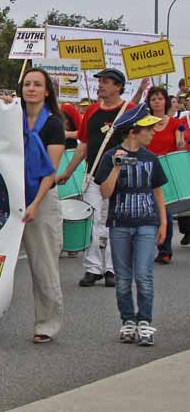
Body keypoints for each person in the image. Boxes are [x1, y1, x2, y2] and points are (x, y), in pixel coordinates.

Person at [0, 68, 66, 350]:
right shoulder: (10, 116)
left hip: (40, 198)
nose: (31, 88)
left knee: (43, 266)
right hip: (7, 198)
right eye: (27, 84)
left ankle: (46, 324)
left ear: (47, 92)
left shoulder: (54, 124)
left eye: (38, 85)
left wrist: (34, 204)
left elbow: (51, 171)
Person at [95, 104, 168, 347]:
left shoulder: (151, 159)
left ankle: (145, 322)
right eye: (149, 129)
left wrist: (163, 222)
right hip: (119, 224)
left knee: (144, 275)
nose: (153, 133)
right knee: (124, 278)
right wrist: (116, 167)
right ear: (134, 132)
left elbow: (158, 192)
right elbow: (105, 193)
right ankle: (128, 320)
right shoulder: (110, 156)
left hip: (147, 223)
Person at [57, 68, 135, 287]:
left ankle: (112, 268)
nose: (100, 85)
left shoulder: (129, 111)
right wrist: (68, 172)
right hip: (93, 174)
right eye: (100, 81)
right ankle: (93, 268)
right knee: (92, 221)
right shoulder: (91, 110)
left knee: (114, 224)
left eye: (106, 82)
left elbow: (136, 146)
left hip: (120, 175)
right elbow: (83, 146)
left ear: (118, 86)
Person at [145, 86, 185, 264]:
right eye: (153, 99)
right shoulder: (144, 122)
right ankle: (146, 246)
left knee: (165, 211)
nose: (157, 101)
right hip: (147, 168)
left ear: (165, 101)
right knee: (147, 210)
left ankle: (165, 250)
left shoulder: (176, 124)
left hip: (167, 172)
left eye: (160, 98)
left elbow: (180, 144)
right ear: (150, 102)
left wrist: (181, 141)